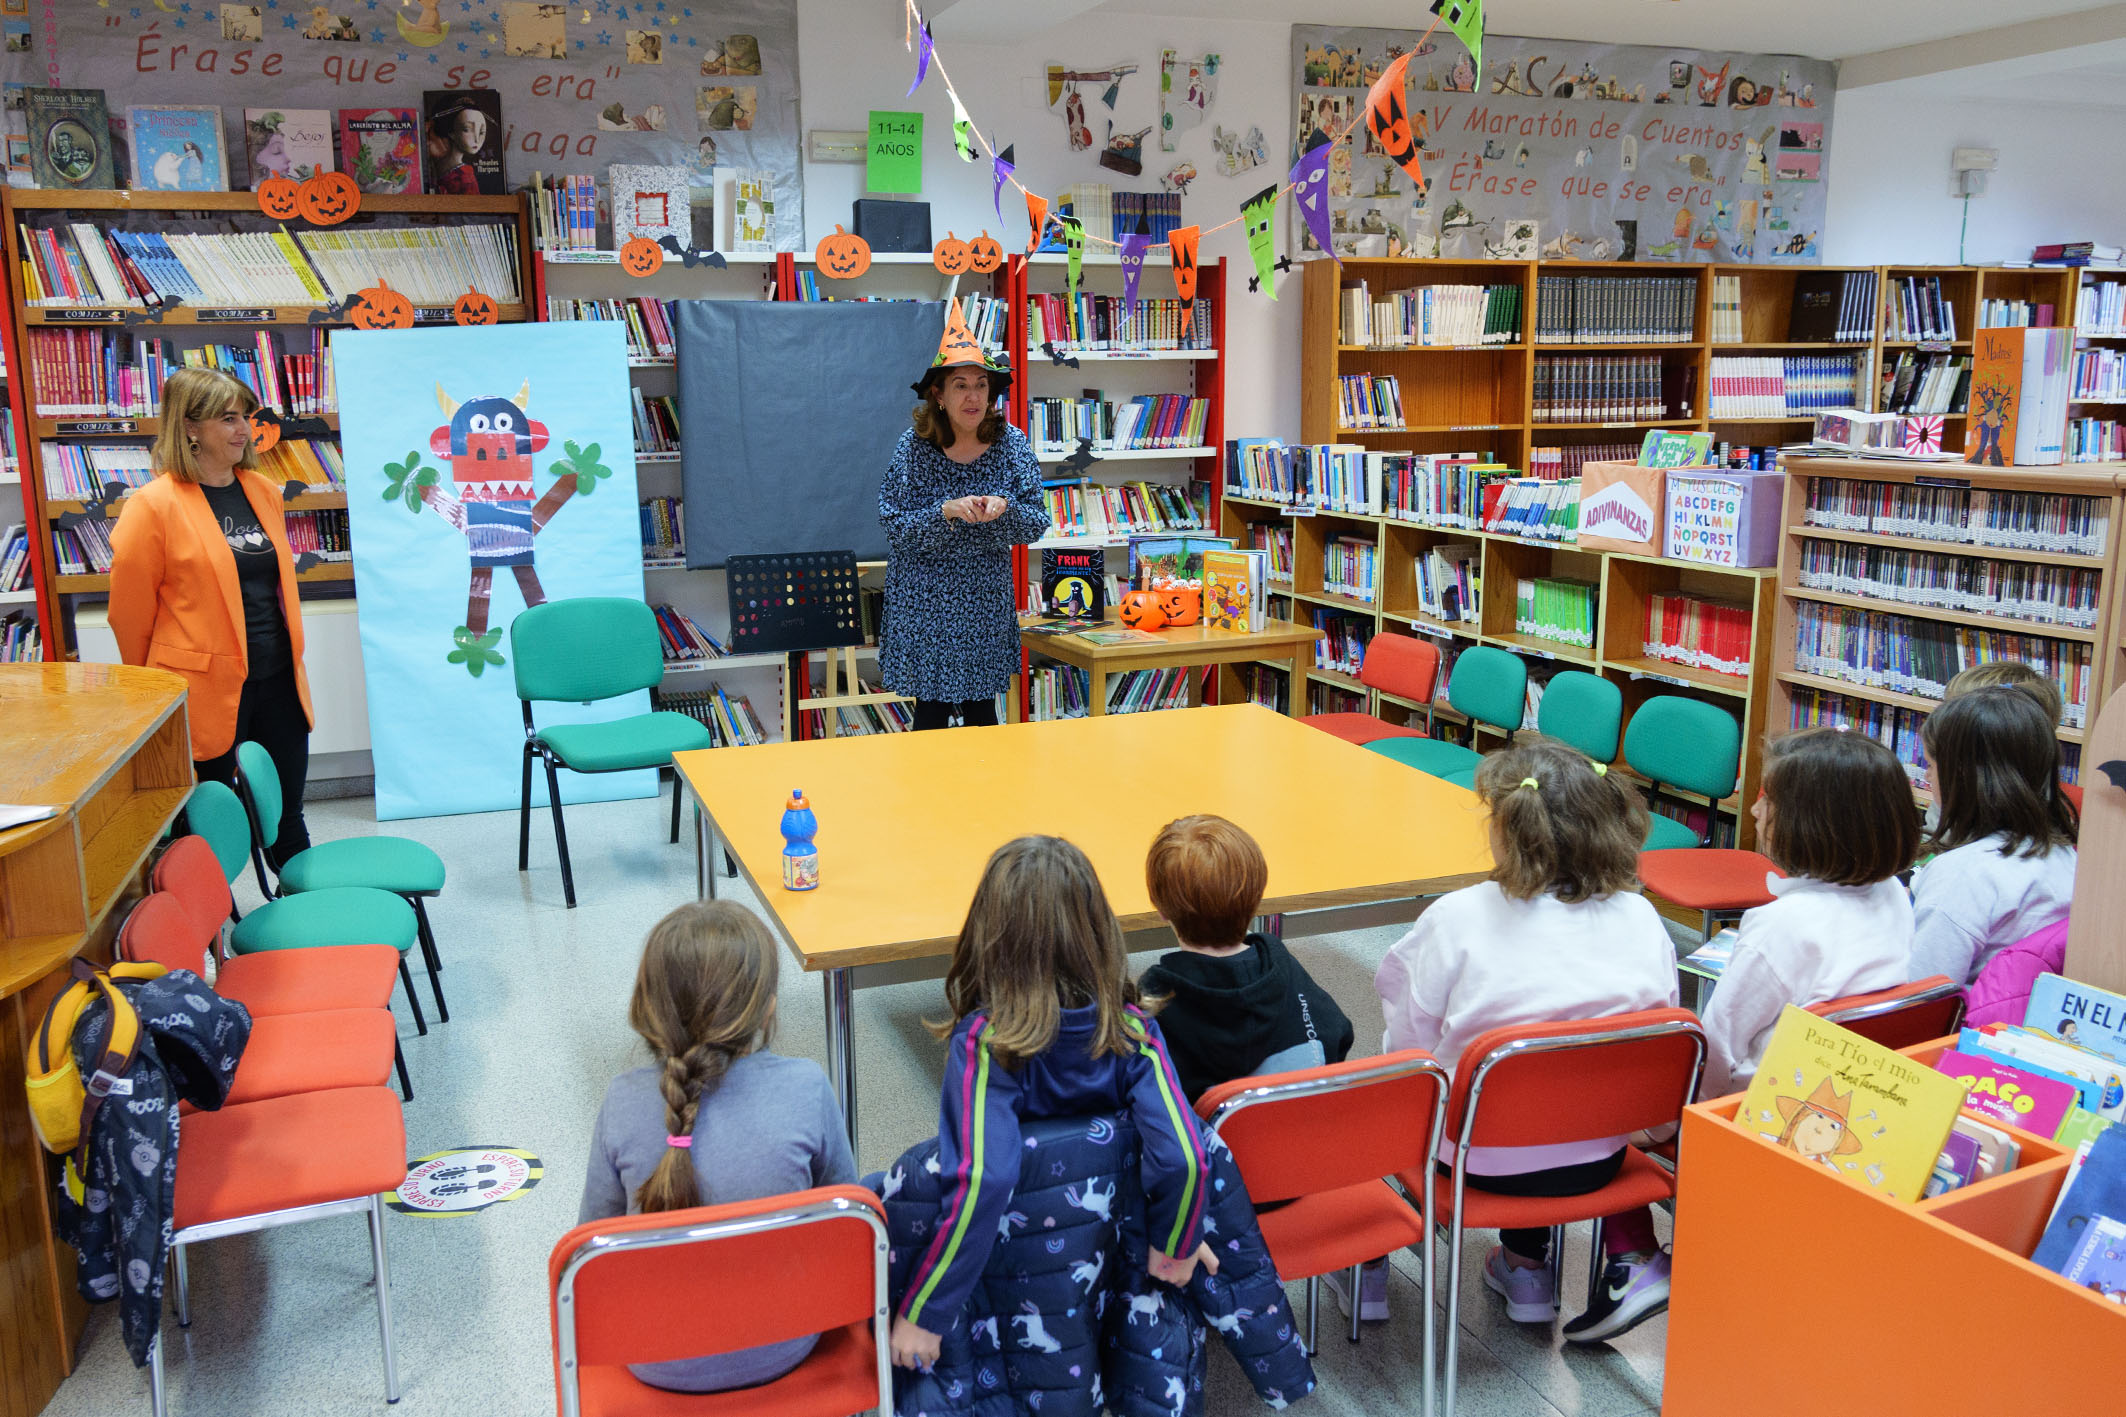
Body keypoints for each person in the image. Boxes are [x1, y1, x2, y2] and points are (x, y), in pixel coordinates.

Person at [1374, 737, 1678, 1344]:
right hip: (1598, 1158)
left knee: (1397, 1091)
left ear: (1509, 828)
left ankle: (1385, 1265)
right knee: (1549, 1087)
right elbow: (1658, 1037)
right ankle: (1526, 1272)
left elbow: (1411, 1046)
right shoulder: (1643, 918)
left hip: (1474, 1164)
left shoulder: (1457, 917)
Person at [889, 836, 1215, 1372]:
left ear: (987, 935)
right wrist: (1179, 1242)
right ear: (1100, 933)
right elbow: (1185, 1154)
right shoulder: (1135, 1032)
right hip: (1105, 1260)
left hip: (1010, 1271)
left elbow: (984, 1181)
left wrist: (927, 1312)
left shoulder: (986, 1043)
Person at [579, 901, 855, 1392]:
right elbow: (847, 1230)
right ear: (767, 1004)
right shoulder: (807, 1087)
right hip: (787, 1345)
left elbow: (592, 1255)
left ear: (647, 1003)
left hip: (653, 1361)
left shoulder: (622, 1100)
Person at [109, 368, 315, 865]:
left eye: (244, 415)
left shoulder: (262, 490)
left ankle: (305, 916)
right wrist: (156, 691)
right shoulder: (152, 507)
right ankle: (212, 933)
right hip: (201, 689)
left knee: (286, 812)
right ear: (190, 427)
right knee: (208, 829)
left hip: (278, 676)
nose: (243, 428)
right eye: (228, 418)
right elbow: (128, 614)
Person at [1700, 729, 1921, 1098]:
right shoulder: (1893, 892)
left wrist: (1682, 1122)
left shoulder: (1784, 924)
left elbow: (1720, 1045)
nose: (1755, 810)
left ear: (1812, 824)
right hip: (1851, 1089)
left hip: (1765, 1100)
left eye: (1768, 800)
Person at [878, 307, 1049, 731]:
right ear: (938, 394)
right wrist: (945, 513)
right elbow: (895, 525)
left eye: (981, 385)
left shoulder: (1011, 444)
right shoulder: (913, 448)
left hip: (983, 607)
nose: (973, 397)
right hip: (924, 608)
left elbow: (1035, 520)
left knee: (982, 720)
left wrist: (1002, 511)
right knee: (930, 720)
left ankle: (986, 799)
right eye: (960, 386)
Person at [1140, 815, 1354, 1104]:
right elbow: (1337, 1040)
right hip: (1304, 1137)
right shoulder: (1285, 970)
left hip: (1211, 1147)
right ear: (1257, 897)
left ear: (1159, 907)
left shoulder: (1153, 1002)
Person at [1909, 687, 2078, 986]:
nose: (1927, 776)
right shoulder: (2068, 857)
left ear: (1961, 776)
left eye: (1931, 765)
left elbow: (1918, 993)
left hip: (1959, 1027)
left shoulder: (1962, 875)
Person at [424, 99, 487, 195]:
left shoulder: (465, 178)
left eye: (481, 132)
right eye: (467, 129)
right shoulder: (441, 167)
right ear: (452, 132)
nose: (477, 140)